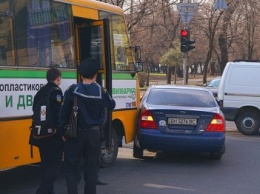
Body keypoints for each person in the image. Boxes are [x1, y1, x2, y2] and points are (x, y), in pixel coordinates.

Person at [59, 58, 116, 194]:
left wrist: (62, 131)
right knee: (91, 170)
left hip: (75, 134)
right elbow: (111, 105)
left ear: (81, 75)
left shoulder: (72, 90)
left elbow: (63, 113)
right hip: (94, 135)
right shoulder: (101, 91)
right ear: (95, 75)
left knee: (71, 168)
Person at [29, 67, 64, 194]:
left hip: (39, 135)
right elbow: (58, 114)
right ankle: (42, 191)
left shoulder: (40, 92)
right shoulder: (56, 92)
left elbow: (34, 110)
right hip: (53, 136)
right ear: (58, 78)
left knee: (45, 165)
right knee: (55, 166)